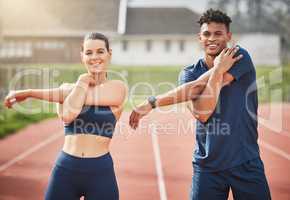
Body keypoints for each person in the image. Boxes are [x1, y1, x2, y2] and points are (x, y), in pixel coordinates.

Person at [129, 9, 271, 200]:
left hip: (245, 160)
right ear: (199, 37)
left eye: (218, 33)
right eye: (207, 34)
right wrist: (219, 70)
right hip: (207, 166)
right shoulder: (188, 73)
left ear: (229, 36)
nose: (212, 38)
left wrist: (152, 103)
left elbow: (197, 87)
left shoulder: (239, 57)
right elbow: (203, 112)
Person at [4, 32, 127, 200]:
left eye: (100, 51)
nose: (94, 57)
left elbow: (75, 103)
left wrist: (79, 83)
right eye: (88, 53)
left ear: (109, 54)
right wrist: (29, 92)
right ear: (82, 56)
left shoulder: (117, 87)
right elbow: (69, 115)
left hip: (100, 172)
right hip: (66, 170)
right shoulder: (69, 89)